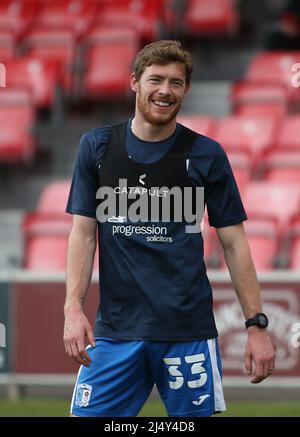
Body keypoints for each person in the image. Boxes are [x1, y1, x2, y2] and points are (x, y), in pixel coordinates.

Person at [64, 40, 275, 417]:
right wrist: (72, 309)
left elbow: (235, 245)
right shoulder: (96, 147)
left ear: (186, 90)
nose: (165, 91)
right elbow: (83, 234)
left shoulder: (207, 154)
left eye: (176, 83)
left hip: (188, 334)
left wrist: (256, 326)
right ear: (134, 82)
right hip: (115, 332)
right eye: (156, 80)